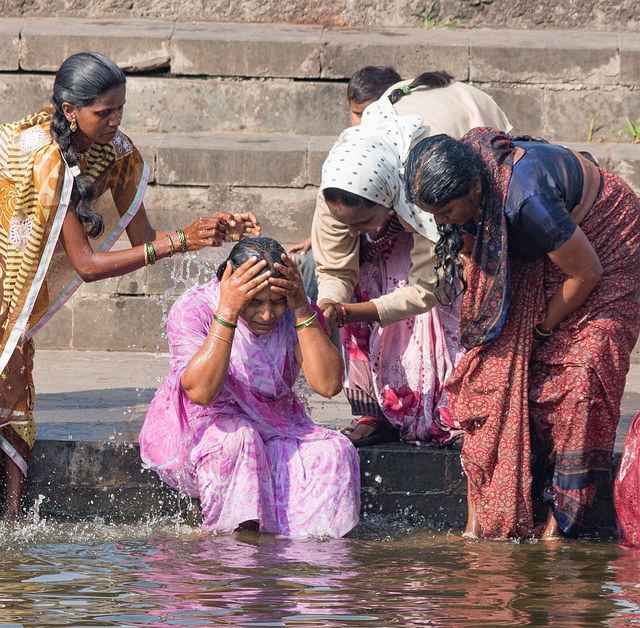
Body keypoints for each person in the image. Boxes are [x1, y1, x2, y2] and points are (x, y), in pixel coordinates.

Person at [0, 52, 260, 519]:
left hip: (16, 290)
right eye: (104, 112)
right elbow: (87, 265)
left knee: (13, 383)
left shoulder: (116, 152)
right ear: (68, 111)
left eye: (120, 108)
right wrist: (179, 243)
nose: (115, 121)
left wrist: (206, 232)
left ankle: (14, 523)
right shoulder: (45, 158)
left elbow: (146, 239)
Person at [403, 129, 640, 540]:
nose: (439, 222)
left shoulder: (526, 197)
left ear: (475, 190)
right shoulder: (466, 186)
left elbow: (587, 272)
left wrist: (543, 327)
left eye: (445, 212)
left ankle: (558, 533)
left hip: (607, 248)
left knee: (580, 378)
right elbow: (471, 248)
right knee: (490, 379)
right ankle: (480, 526)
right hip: (539, 249)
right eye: (432, 214)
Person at [313, 71, 512, 446]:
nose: (353, 232)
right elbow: (335, 266)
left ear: (390, 199)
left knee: (456, 288)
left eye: (362, 222)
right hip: (395, 178)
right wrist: (330, 303)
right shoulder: (341, 184)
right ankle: (373, 409)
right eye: (345, 223)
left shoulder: (423, 187)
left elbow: (431, 286)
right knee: (362, 278)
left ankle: (451, 412)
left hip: (455, 150)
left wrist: (357, 312)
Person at [139, 237, 360, 537]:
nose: (267, 315)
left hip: (276, 426)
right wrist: (228, 312)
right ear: (229, 284)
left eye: (276, 302)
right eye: (254, 302)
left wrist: (300, 307)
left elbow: (329, 384)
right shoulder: (195, 309)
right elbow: (201, 393)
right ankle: (234, 547)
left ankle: (307, 557)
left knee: (334, 451)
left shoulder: (297, 308)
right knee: (240, 439)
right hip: (203, 432)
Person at [288, 66, 403, 298]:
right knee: (315, 263)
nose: (365, 123)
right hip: (356, 245)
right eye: (358, 114)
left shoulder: (404, 149)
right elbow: (335, 215)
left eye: (373, 113)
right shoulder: (345, 153)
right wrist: (320, 235)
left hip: (397, 244)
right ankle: (310, 325)